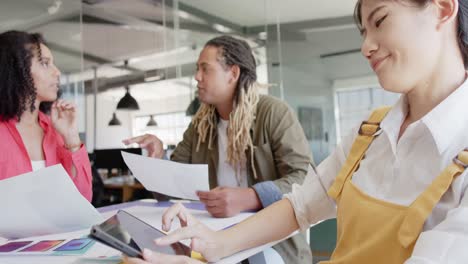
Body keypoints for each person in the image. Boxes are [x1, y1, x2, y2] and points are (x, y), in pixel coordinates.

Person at [124, 0, 468, 263]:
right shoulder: (369, 133)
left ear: (442, 8)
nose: (366, 46)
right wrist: (211, 244)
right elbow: (299, 207)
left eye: (380, 21)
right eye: (364, 32)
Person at [123, 35, 313, 263]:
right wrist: (157, 160)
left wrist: (250, 197)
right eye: (197, 69)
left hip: (272, 242)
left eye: (205, 69)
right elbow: (172, 192)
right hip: (213, 239)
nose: (196, 77)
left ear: (233, 73)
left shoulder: (273, 113)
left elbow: (305, 179)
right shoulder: (200, 125)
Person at [0, 31, 93, 201]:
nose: (57, 72)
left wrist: (71, 137)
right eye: (44, 63)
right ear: (16, 70)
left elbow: (83, 199)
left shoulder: (56, 131)